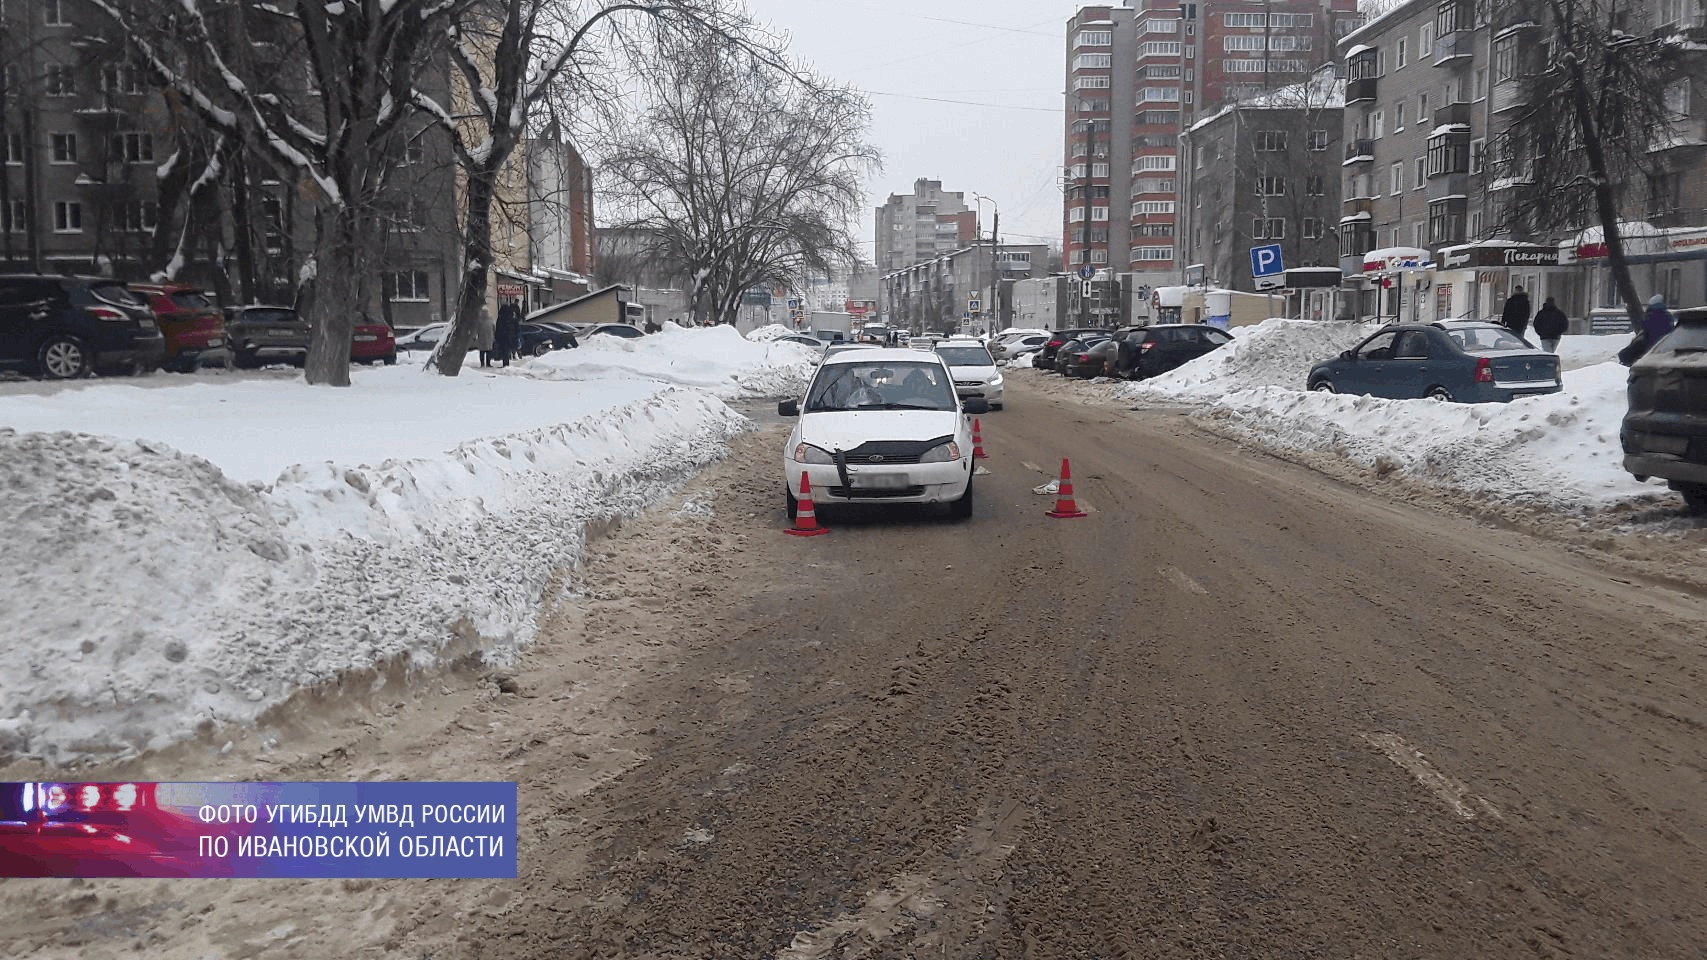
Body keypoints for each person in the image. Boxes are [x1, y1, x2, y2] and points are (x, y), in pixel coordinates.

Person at [494, 300, 521, 367]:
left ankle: (505, 363)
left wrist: (497, 336)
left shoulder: (500, 318)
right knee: (507, 349)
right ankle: (507, 363)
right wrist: (515, 334)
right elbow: (517, 327)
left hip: (502, 336)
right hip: (510, 337)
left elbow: (498, 327)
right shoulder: (511, 317)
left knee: (503, 350)